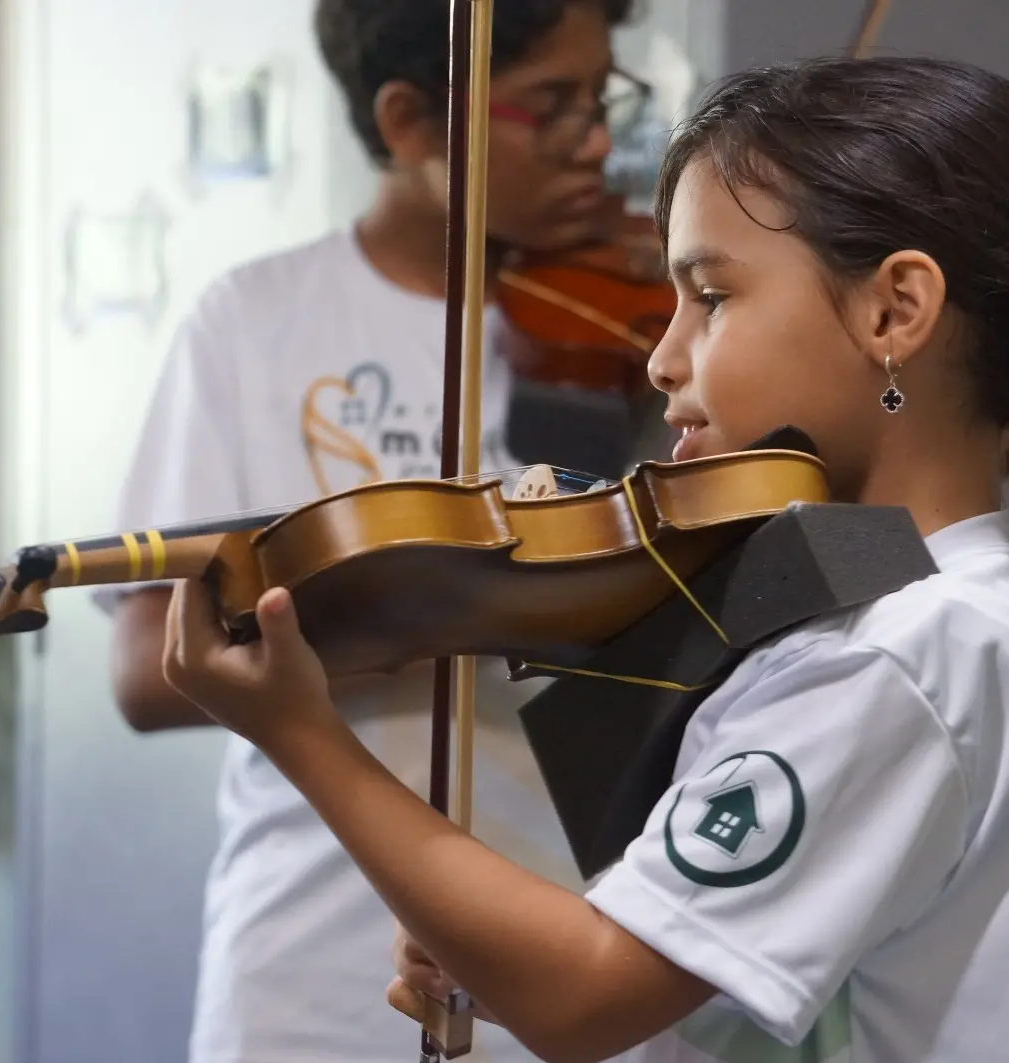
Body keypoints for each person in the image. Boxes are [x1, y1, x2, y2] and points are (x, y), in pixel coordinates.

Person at [155, 54, 1009, 1063]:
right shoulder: (900, 611)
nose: (661, 357)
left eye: (711, 295)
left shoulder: (901, 656)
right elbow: (738, 971)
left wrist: (301, 732)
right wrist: (509, 952)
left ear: (896, 307)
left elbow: (584, 998)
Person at [97, 3, 640, 1061]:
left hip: (567, 942)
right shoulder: (254, 320)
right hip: (305, 960)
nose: (598, 144)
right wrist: (414, 611)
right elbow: (143, 673)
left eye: (604, 97)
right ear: (408, 123)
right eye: (551, 107)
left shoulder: (644, 331)